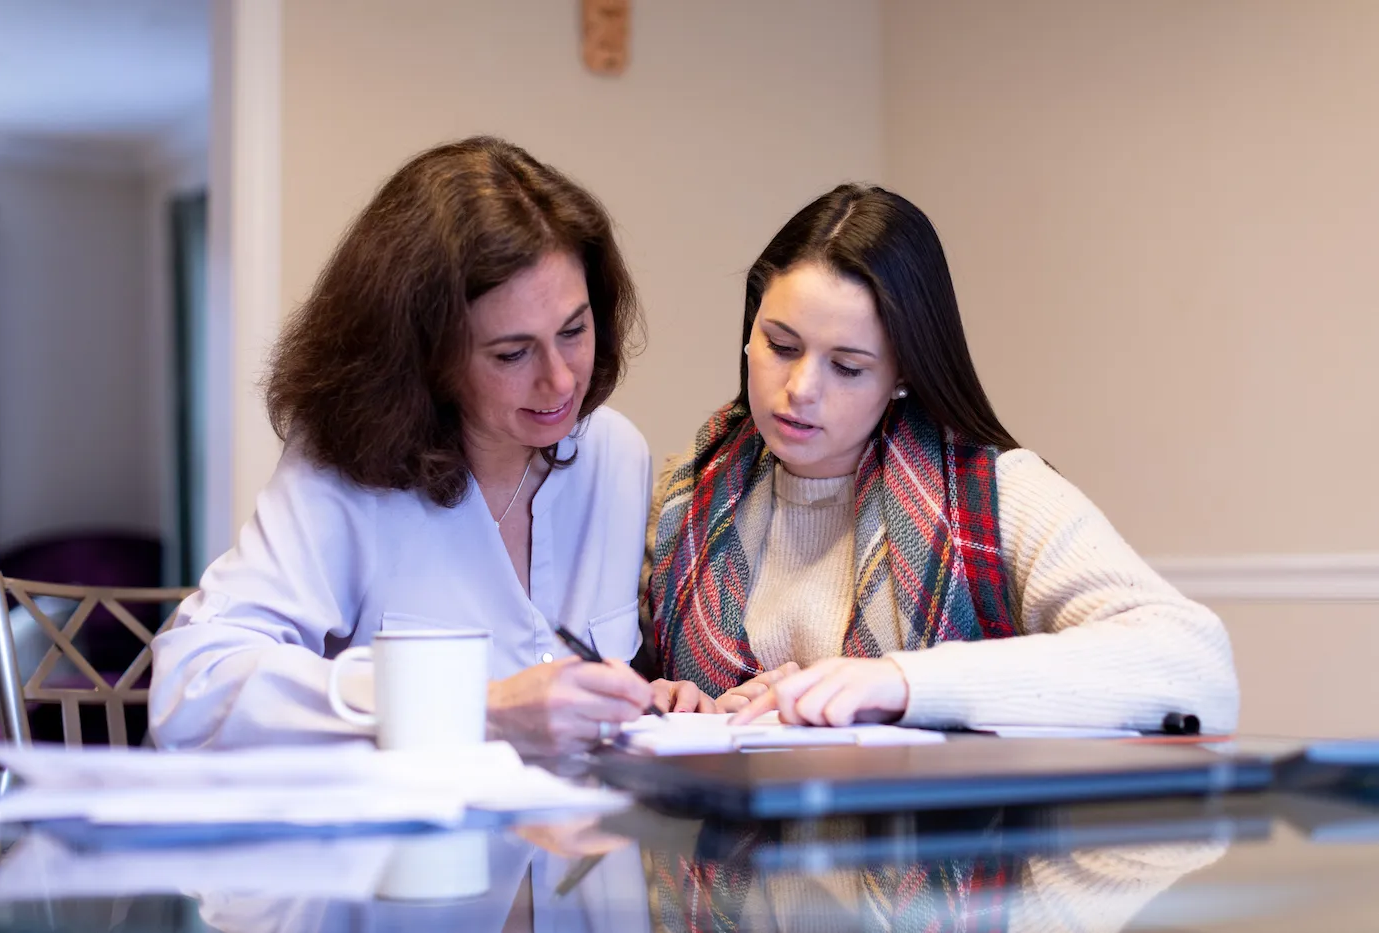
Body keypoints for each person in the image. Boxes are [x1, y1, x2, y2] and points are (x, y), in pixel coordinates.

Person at [151, 136, 706, 757]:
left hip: (579, 845)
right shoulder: (346, 466)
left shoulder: (614, 456)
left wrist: (649, 694)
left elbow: (584, 685)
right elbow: (190, 688)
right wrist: (476, 707)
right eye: (511, 353)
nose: (561, 379)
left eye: (574, 330)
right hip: (398, 848)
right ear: (424, 354)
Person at [642, 183, 1240, 732]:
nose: (800, 388)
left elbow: (1196, 666)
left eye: (847, 366)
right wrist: (673, 706)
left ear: (903, 373)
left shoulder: (992, 496)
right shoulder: (682, 498)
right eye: (780, 345)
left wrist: (904, 684)